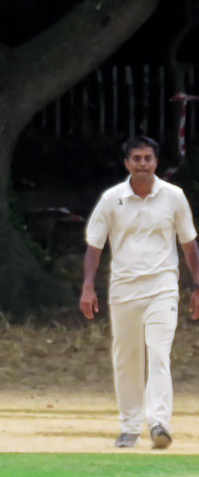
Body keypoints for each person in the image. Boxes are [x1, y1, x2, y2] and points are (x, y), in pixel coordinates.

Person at [79, 135, 199, 449]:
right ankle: (129, 426)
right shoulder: (112, 199)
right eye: (137, 159)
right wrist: (88, 287)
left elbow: (189, 244)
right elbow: (95, 246)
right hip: (123, 290)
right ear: (127, 163)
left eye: (148, 158)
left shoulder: (173, 197)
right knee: (127, 358)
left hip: (162, 288)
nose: (143, 164)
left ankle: (159, 422)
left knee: (159, 354)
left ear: (156, 162)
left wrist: (197, 286)